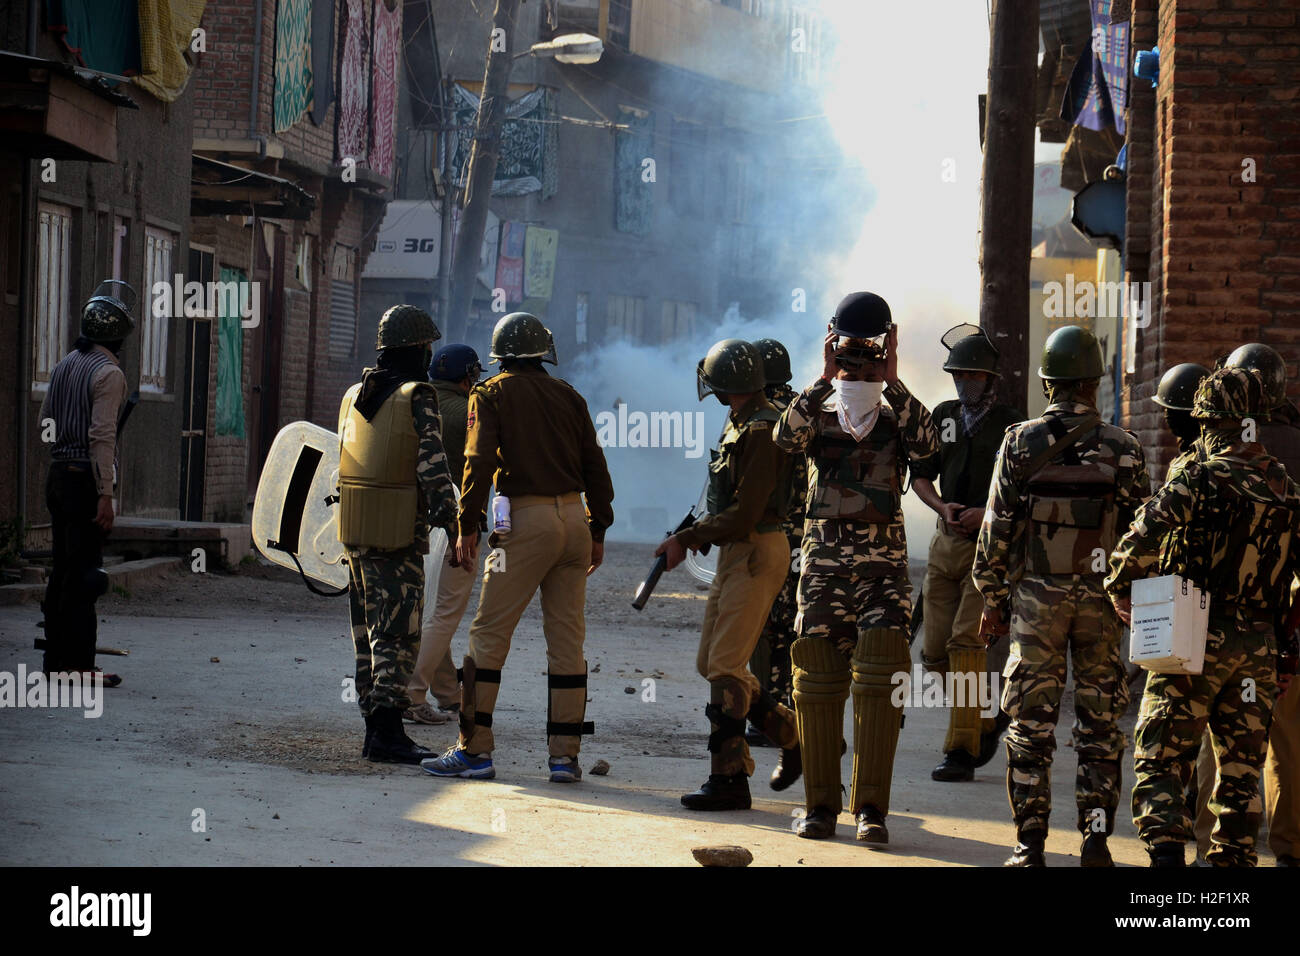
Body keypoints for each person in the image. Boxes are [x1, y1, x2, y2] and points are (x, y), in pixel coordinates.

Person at [1107, 366, 1300, 867]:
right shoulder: (1286, 489)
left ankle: (1169, 868)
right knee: (1241, 770)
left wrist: (1119, 587)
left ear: (1210, 420)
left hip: (1192, 637)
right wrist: (1285, 651)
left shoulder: (1202, 476)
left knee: (1163, 755)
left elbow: (1141, 533)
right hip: (1257, 649)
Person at [973, 325, 1149, 867]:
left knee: (1030, 723)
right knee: (1100, 726)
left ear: (1048, 384)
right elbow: (1143, 534)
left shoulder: (1019, 442)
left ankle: (1030, 844)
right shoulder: (1125, 448)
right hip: (1101, 605)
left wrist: (992, 598)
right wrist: (1130, 597)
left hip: (1035, 603)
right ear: (1095, 384)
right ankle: (1096, 839)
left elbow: (997, 526)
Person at [773, 292, 939, 842]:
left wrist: (892, 377)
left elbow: (930, 444)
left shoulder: (896, 419)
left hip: (883, 573)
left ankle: (872, 811)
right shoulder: (819, 415)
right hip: (823, 568)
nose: (858, 362)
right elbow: (784, 438)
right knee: (816, 681)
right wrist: (823, 376)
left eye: (868, 350)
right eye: (852, 351)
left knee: (881, 679)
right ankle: (820, 808)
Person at [421, 312, 614, 783]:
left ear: (500, 354)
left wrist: (468, 523)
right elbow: (596, 463)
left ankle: (474, 751)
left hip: (524, 523)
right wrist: (599, 529)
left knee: (488, 634)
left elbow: (477, 460)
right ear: (542, 352)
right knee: (567, 643)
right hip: (574, 522)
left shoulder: (490, 394)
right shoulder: (570, 395)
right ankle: (564, 758)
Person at [655, 339, 800, 811]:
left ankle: (730, 780)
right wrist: (694, 533)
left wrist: (688, 540)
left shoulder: (761, 430)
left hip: (757, 548)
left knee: (725, 668)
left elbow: (745, 513)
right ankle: (792, 735)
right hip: (738, 551)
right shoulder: (741, 421)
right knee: (711, 665)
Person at [338, 305, 457, 764]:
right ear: (416, 348)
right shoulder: (416, 393)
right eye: (427, 346)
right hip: (397, 534)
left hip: (356, 529)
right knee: (398, 635)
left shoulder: (354, 394)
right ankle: (389, 735)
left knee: (366, 633)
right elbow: (431, 463)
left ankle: (375, 732)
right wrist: (455, 520)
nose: (429, 353)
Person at [910, 325, 1023, 782]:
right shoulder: (942, 417)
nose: (966, 385)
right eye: (959, 376)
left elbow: (1023, 491)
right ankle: (985, 722)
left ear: (992, 379)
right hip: (945, 543)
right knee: (933, 652)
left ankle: (960, 750)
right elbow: (920, 475)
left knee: (965, 642)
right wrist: (943, 506)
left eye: (974, 376)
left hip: (989, 549)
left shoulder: (1013, 425)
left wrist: (986, 514)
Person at [1224, 344, 1300, 867]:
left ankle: (1216, 842)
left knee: (1219, 731)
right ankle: (1290, 848)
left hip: (1224, 606)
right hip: (1289, 600)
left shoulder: (1216, 441)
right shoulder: (1296, 439)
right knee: (1286, 738)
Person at [39, 280, 135, 687]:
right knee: (86, 575)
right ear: (119, 335)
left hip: (58, 475)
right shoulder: (109, 374)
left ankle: (56, 662)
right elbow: (102, 438)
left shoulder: (63, 365)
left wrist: (61, 456)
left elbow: (45, 423)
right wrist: (105, 494)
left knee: (62, 570)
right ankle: (78, 666)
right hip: (84, 483)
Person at [405, 344, 484, 726]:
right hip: (457, 527)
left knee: (433, 611)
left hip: (415, 523)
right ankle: (411, 693)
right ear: (467, 376)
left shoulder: (414, 403)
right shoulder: (471, 410)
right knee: (445, 611)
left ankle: (450, 694)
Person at [746, 337, 808, 742]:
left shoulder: (762, 416)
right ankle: (799, 713)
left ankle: (771, 716)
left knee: (764, 627)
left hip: (772, 535)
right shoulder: (806, 408)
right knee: (795, 628)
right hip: (808, 539)